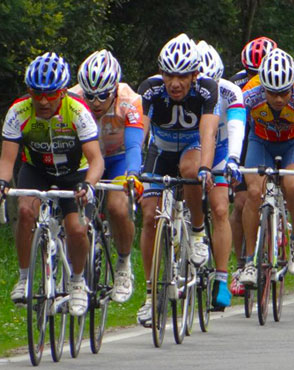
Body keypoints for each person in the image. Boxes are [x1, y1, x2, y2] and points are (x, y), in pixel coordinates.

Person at [0, 52, 104, 316]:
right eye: (37, 94)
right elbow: (7, 159)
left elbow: (96, 160)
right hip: (37, 170)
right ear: (29, 91)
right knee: (25, 211)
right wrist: (2, 183)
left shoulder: (78, 110)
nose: (43, 101)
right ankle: (25, 277)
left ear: (63, 92)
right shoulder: (18, 111)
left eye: (51, 94)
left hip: (74, 173)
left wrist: (89, 185)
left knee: (77, 229)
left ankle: (77, 282)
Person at [136, 33, 220, 326]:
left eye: (182, 76)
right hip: (160, 152)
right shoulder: (150, 90)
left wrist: (206, 168)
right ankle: (149, 296)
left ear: (195, 75)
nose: (174, 83)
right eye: (169, 74)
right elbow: (140, 134)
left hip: (191, 148)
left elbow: (209, 133)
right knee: (149, 216)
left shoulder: (207, 90)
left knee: (190, 170)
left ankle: (197, 231)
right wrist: (133, 171)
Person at [70, 49, 144, 303]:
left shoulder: (130, 101)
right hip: (86, 159)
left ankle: (123, 264)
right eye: (90, 95)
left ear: (114, 88)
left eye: (102, 95)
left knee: (117, 207)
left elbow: (135, 146)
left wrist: (133, 174)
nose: (96, 102)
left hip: (118, 158)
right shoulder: (72, 98)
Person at [239, 48, 294, 285]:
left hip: (293, 143)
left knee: (293, 185)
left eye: (284, 92)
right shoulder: (249, 93)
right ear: (263, 87)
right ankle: (250, 261)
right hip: (261, 142)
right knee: (253, 193)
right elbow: (237, 125)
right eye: (273, 93)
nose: (279, 99)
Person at [197, 40, 246, 308]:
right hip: (192, 145)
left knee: (219, 210)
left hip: (220, 149)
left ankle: (222, 278)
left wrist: (234, 160)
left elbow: (237, 128)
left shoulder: (231, 92)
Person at [229, 36, 277, 296]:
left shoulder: (284, 82)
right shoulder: (238, 85)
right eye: (251, 73)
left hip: (277, 136)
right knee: (241, 203)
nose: (256, 80)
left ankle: (279, 225)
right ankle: (241, 264)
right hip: (247, 139)